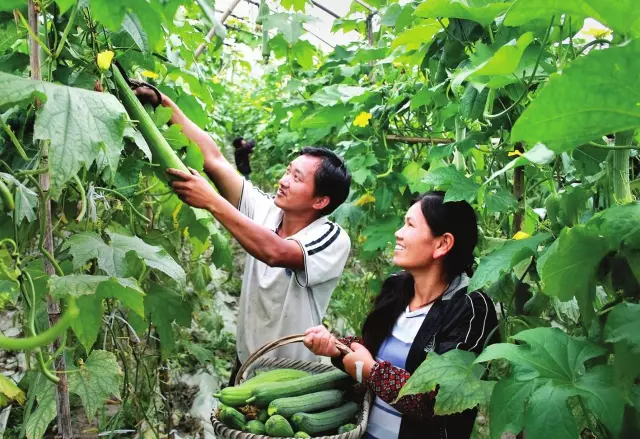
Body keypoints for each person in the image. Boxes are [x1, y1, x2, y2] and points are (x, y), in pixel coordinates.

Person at [133, 88, 352, 382]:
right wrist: (162, 102)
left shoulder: (331, 237)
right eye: (288, 171)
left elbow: (277, 253)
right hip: (247, 366)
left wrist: (211, 200)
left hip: (294, 378)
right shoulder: (266, 210)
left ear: (320, 201)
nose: (283, 181)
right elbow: (214, 159)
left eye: (296, 178)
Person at [303, 191, 498, 439]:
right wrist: (336, 347)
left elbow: (442, 400)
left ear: (442, 244)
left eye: (410, 224)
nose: (398, 232)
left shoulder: (471, 307)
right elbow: (372, 351)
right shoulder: (396, 287)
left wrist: (369, 371)